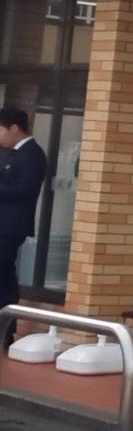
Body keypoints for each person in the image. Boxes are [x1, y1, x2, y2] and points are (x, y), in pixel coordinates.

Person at [0, 106, 46, 346]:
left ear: (15, 128)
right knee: (5, 277)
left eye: (0, 130)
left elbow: (26, 190)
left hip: (11, 226)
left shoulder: (32, 154)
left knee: (3, 277)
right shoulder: (12, 153)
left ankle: (5, 330)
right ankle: (6, 329)